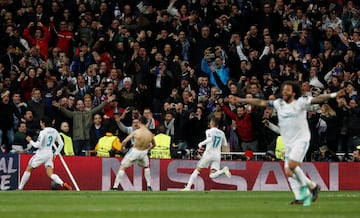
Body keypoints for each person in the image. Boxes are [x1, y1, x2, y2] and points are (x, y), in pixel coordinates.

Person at [232, 80, 345, 206]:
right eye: (283, 89)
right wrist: (241, 100)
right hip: (288, 142)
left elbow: (318, 99)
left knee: (291, 164)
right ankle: (303, 195)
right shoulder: (279, 103)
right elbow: (260, 102)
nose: (284, 91)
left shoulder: (300, 102)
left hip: (301, 140)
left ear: (294, 92)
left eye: (288, 90)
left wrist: (334, 95)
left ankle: (312, 188)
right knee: (288, 171)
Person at [18, 117, 72, 190]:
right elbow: (61, 144)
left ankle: (20, 188)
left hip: (41, 153)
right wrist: (55, 154)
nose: (40, 124)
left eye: (40, 122)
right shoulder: (55, 131)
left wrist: (30, 141)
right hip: (50, 153)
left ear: (43, 123)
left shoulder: (43, 132)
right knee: (50, 174)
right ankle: (63, 183)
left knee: (29, 169)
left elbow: (37, 145)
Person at [182, 117, 232, 191]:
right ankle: (223, 170)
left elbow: (210, 139)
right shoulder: (222, 133)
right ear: (217, 125)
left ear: (211, 124)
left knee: (197, 170)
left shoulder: (209, 131)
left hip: (209, 153)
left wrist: (200, 143)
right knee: (212, 175)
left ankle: (188, 187)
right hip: (217, 155)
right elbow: (225, 144)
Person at [112, 116, 155, 191]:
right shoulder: (150, 134)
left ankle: (115, 187)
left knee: (122, 167)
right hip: (144, 152)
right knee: (147, 167)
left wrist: (121, 148)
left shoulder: (136, 132)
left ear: (140, 122)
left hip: (135, 151)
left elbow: (125, 141)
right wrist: (148, 149)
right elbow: (154, 145)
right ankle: (149, 186)